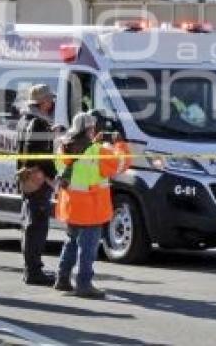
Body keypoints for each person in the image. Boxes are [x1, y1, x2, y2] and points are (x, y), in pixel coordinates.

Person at [54, 112, 129, 298]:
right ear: (89, 129)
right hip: (91, 207)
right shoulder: (98, 151)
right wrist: (119, 143)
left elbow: (73, 165)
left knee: (71, 242)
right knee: (88, 247)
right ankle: (84, 284)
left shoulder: (63, 147)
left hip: (71, 206)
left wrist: (94, 140)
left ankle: (62, 278)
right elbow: (121, 163)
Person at [16, 84, 59, 285]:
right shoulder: (39, 124)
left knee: (29, 226)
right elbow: (41, 156)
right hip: (38, 181)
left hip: (26, 179)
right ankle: (33, 271)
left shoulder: (24, 120)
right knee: (37, 227)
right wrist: (53, 177)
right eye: (49, 99)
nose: (52, 103)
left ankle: (31, 269)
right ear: (42, 102)